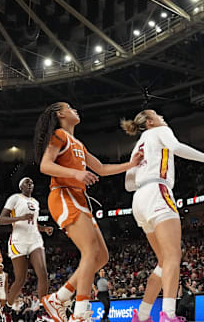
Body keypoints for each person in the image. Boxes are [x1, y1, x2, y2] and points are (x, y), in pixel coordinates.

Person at [34, 102, 143, 322]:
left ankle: (60, 297)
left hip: (79, 198)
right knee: (90, 251)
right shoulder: (58, 136)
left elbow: (101, 168)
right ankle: (80, 313)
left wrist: (130, 164)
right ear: (60, 114)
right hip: (63, 195)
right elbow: (45, 166)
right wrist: (76, 175)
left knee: (101, 256)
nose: (76, 109)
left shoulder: (78, 144)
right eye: (70, 107)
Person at [121, 109, 204, 322]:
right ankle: (168, 314)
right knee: (173, 257)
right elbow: (176, 147)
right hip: (158, 191)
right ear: (150, 122)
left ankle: (141, 315)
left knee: (163, 261)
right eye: (158, 114)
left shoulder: (137, 145)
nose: (163, 117)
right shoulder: (160, 130)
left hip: (138, 200)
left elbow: (128, 185)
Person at [0, 177, 53, 311]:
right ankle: (7, 307)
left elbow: (33, 223)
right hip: (18, 241)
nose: (30, 184)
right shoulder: (15, 198)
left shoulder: (35, 202)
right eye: (26, 182)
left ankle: (42, 309)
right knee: (21, 279)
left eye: (32, 182)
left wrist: (44, 228)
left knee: (43, 274)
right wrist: (20, 218)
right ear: (20, 186)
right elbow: (1, 219)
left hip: (35, 239)